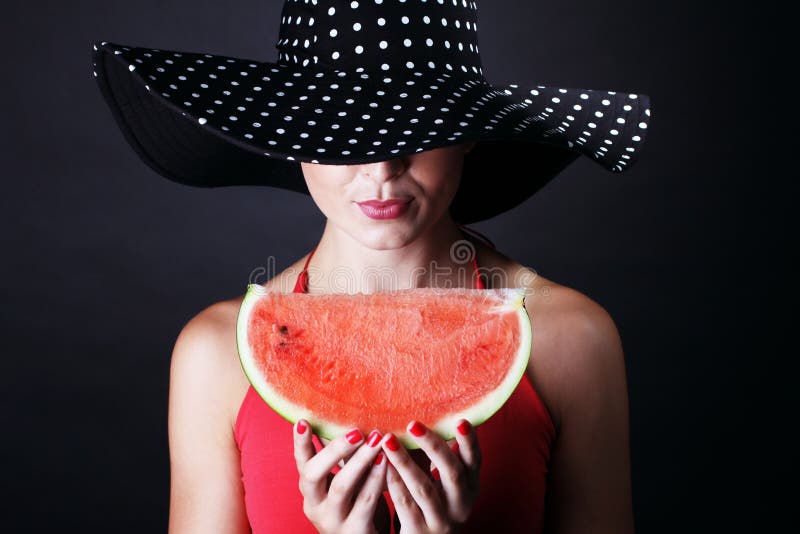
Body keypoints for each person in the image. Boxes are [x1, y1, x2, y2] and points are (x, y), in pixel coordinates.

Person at [90, 2, 651, 532]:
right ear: (293, 135)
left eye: (420, 123)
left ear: (471, 133)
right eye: (343, 126)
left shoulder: (573, 341)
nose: (383, 167)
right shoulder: (214, 355)